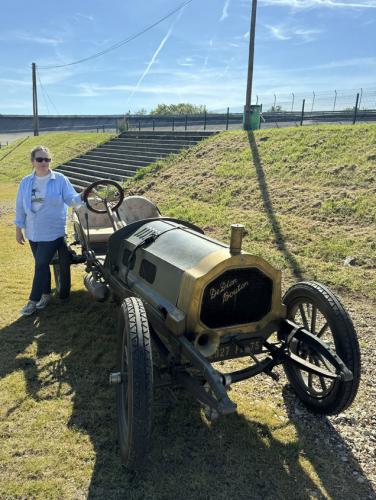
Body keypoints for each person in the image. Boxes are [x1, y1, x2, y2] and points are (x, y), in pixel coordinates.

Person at [14, 145, 84, 316]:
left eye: (47, 159)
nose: (44, 162)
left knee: (40, 265)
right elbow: (19, 207)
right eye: (40, 159)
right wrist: (18, 229)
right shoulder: (25, 182)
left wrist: (84, 196)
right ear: (33, 162)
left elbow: (71, 199)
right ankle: (45, 295)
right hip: (33, 232)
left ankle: (32, 301)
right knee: (42, 265)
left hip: (53, 232)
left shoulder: (59, 179)